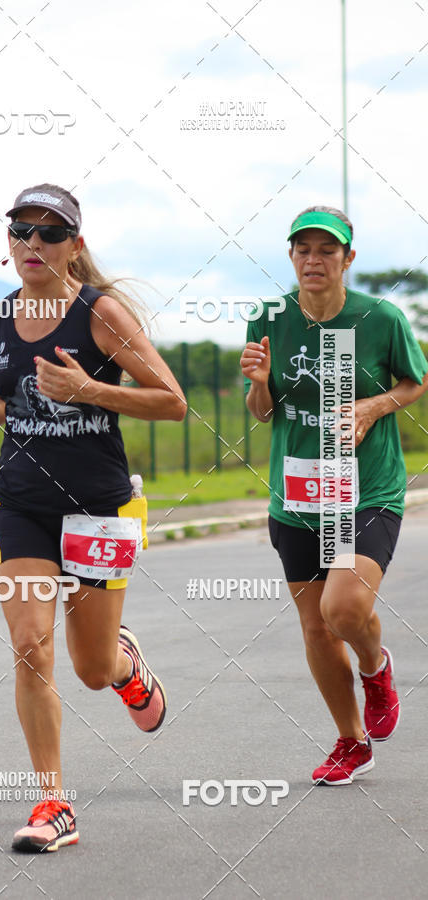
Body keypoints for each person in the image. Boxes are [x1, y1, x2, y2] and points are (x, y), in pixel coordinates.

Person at [0, 183, 186, 849]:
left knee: (91, 669)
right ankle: (53, 804)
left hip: (99, 508)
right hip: (21, 503)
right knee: (30, 644)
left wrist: (90, 389)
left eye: (50, 232)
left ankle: (123, 664)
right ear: (9, 242)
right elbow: (5, 407)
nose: (34, 243)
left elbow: (172, 402)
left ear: (75, 246)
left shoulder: (100, 314)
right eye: (22, 230)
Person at [240, 205, 428, 785]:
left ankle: (375, 667)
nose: (314, 259)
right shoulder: (269, 318)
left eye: (327, 250)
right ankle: (351, 741)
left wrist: (372, 407)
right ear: (291, 256)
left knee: (342, 609)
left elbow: (415, 380)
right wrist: (258, 384)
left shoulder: (380, 318)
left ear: (349, 259)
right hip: (297, 496)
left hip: (366, 490)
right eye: (304, 249)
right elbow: (263, 413)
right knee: (317, 627)